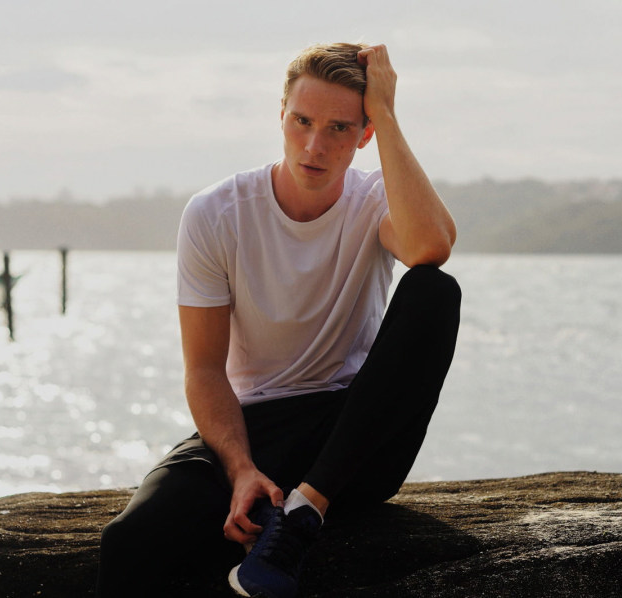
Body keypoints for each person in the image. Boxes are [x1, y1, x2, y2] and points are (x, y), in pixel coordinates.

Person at [96, 42, 461, 597]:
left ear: (365, 136)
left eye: (341, 128)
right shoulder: (217, 214)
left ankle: (305, 510)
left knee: (434, 290)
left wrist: (386, 111)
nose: (315, 145)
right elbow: (204, 370)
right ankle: (281, 508)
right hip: (257, 428)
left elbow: (432, 245)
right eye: (302, 121)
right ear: (281, 116)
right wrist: (241, 468)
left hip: (355, 438)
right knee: (132, 540)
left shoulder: (375, 201)